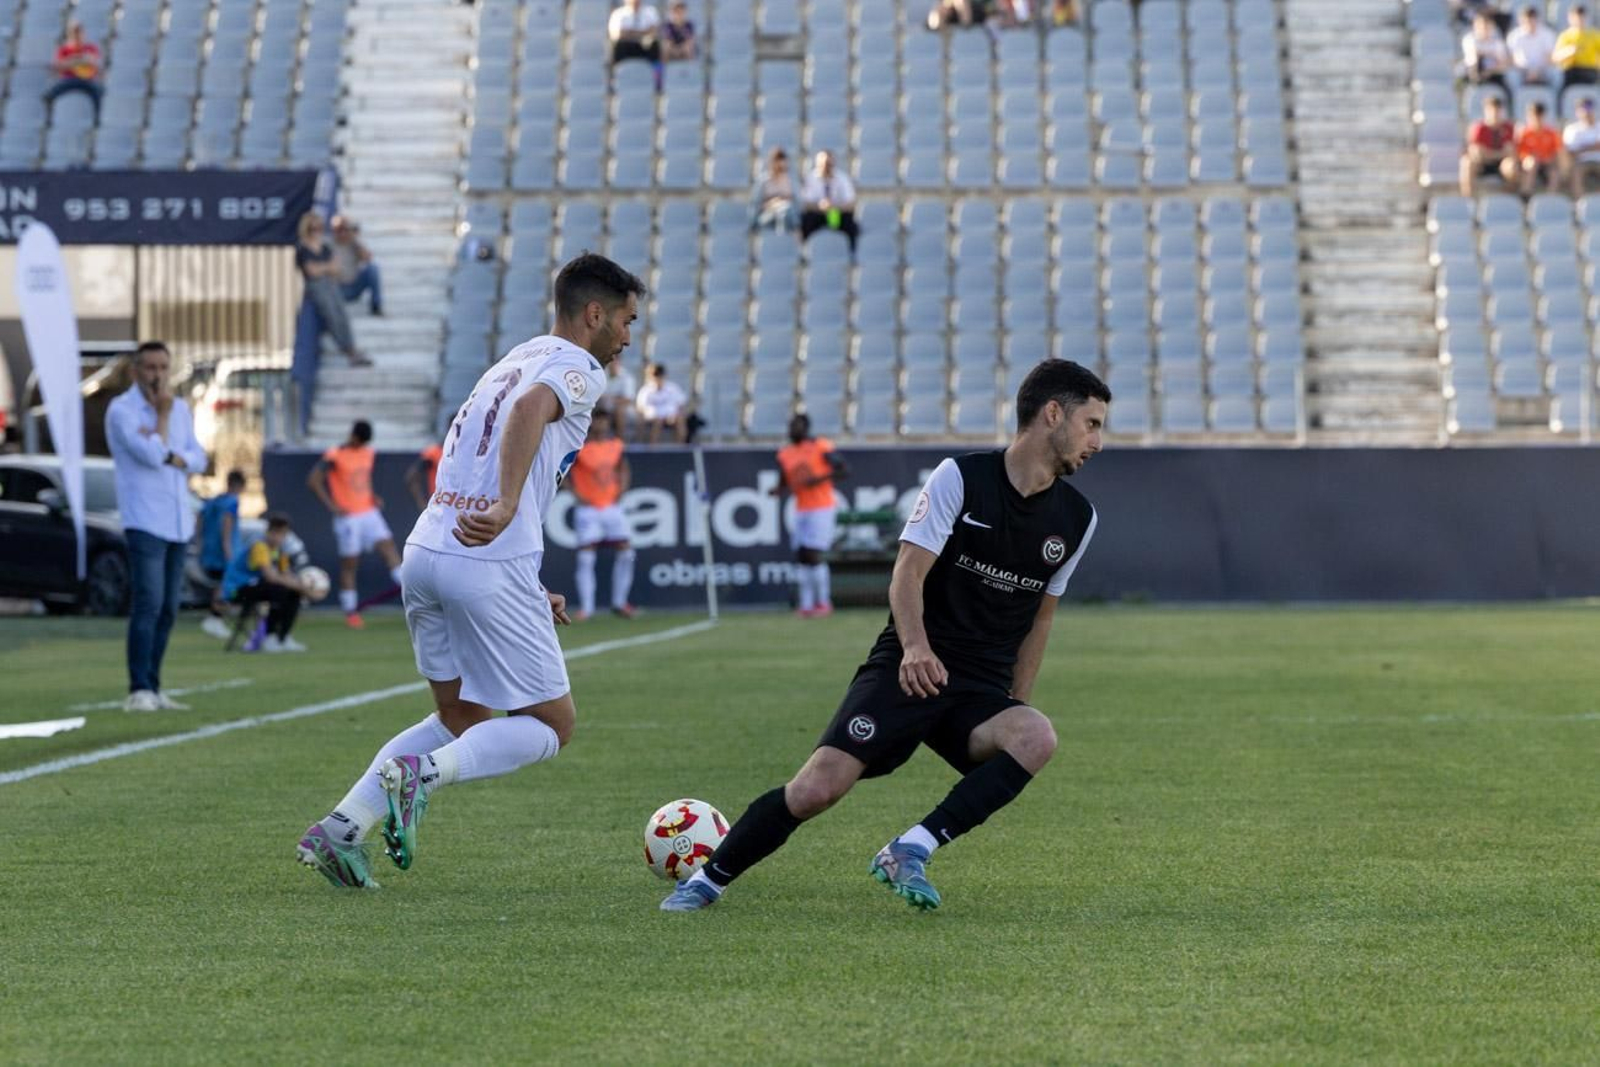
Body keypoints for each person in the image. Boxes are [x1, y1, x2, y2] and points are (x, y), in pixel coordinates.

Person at [661, 360, 1109, 912]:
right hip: (910, 667)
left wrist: (1017, 700)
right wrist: (915, 647)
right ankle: (707, 880)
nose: (1097, 442)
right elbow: (907, 574)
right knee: (816, 789)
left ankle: (911, 849)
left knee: (1036, 735)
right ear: (1053, 414)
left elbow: (1041, 617)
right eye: (1091, 424)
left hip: (980, 689)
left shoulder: (1078, 519)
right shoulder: (961, 478)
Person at [294, 253, 644, 890]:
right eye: (626, 321)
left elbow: (494, 438)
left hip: (430, 549)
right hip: (485, 555)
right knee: (552, 725)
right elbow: (530, 411)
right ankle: (419, 776)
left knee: (460, 716)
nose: (627, 337)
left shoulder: (515, 358)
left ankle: (340, 829)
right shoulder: (578, 368)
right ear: (595, 314)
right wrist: (505, 509)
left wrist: (526, 581)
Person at [105, 342, 209, 713]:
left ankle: (155, 683)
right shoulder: (122, 410)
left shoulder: (180, 408)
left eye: (163, 367)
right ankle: (139, 688)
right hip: (145, 518)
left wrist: (173, 454)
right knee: (147, 603)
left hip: (177, 520)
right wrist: (161, 421)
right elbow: (151, 455)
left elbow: (198, 458)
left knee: (168, 608)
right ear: (136, 371)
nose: (157, 375)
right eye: (150, 367)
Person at [306, 419, 403, 629]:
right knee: (350, 565)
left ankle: (411, 596)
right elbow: (313, 480)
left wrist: (372, 496)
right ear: (353, 436)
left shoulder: (368, 453)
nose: (361, 445)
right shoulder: (335, 455)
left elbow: (362, 481)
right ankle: (350, 612)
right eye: (359, 441)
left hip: (369, 512)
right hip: (348, 518)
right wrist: (332, 506)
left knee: (389, 550)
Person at [774, 413, 848, 618]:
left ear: (806, 428)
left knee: (813, 553)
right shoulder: (785, 453)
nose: (792, 430)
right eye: (790, 425)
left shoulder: (821, 446)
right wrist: (778, 489)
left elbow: (843, 470)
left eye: (796, 426)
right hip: (801, 508)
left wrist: (818, 479)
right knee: (801, 556)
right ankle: (806, 605)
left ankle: (823, 602)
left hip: (821, 507)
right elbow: (784, 479)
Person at [569, 409, 637, 621]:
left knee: (626, 551)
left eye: (604, 421)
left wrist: (622, 489)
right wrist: (575, 495)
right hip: (588, 508)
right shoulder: (579, 446)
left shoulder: (615, 445)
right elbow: (564, 472)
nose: (601, 425)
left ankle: (620, 602)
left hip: (611, 506)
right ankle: (586, 608)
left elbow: (623, 467)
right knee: (586, 556)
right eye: (597, 421)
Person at [222, 512, 312, 653]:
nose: (278, 537)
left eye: (283, 534)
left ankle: (283, 637)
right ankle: (269, 637)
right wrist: (300, 586)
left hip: (257, 587)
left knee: (293, 593)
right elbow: (270, 576)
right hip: (236, 590)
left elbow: (286, 574)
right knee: (279, 590)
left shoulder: (281, 551)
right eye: (276, 533)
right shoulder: (260, 546)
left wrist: (303, 587)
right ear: (268, 532)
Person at [295, 212, 371, 368]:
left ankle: (352, 348)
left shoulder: (324, 247)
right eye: (313, 228)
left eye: (319, 228)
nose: (317, 231)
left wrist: (321, 268)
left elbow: (336, 269)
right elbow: (311, 272)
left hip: (330, 283)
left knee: (341, 314)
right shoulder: (303, 248)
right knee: (332, 314)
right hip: (316, 286)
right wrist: (326, 268)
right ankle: (349, 351)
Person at [198, 469, 246, 640]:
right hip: (224, 553)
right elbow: (227, 523)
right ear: (241, 486)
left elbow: (199, 520)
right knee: (225, 586)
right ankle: (215, 618)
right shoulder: (232, 502)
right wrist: (227, 550)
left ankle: (216, 618)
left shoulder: (214, 501)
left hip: (209, 552)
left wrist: (200, 542)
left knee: (219, 585)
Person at [799, 149, 860, 257]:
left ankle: (852, 254)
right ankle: (804, 253)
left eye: (829, 164)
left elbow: (851, 203)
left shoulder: (842, 178)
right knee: (805, 221)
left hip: (836, 214)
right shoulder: (811, 179)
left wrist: (835, 207)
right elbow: (806, 203)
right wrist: (820, 206)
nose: (826, 167)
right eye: (823, 164)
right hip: (818, 214)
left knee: (851, 224)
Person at [1506, 99, 1569, 194]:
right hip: (1527, 164)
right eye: (1533, 116)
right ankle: (1526, 192)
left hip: (1546, 165)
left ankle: (1550, 196)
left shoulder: (1551, 133)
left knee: (1554, 174)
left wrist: (1562, 168)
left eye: (1539, 115)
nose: (1536, 119)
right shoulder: (1524, 133)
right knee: (1532, 162)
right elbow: (1518, 153)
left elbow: (1559, 151)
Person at [45, 21, 103, 120]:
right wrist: (77, 60)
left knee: (98, 92)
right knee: (51, 94)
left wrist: (81, 60)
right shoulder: (64, 49)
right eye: (74, 33)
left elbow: (96, 65)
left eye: (79, 32)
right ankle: (49, 117)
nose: (77, 36)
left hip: (87, 80)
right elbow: (58, 67)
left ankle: (97, 118)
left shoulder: (90, 48)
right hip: (69, 80)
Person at [1460, 94, 1515, 195]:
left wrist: (1488, 153)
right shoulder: (1478, 128)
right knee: (1467, 163)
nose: (1495, 114)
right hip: (1482, 165)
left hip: (1500, 165)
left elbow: (1510, 152)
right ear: (1486, 111)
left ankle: (1509, 197)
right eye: (1492, 111)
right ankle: (1468, 196)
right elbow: (1477, 153)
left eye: (1497, 111)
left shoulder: (1508, 128)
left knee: (1512, 166)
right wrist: (1499, 153)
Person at [331, 215, 383, 317]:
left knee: (373, 268)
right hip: (336, 289)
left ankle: (376, 305)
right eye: (339, 229)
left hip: (354, 286)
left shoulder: (354, 244)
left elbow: (368, 258)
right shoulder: (328, 245)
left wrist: (354, 239)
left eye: (345, 229)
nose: (342, 233)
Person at [750, 147, 800, 234]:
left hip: (788, 217)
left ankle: (785, 238)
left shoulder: (791, 181)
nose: (780, 169)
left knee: (785, 214)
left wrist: (783, 202)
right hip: (767, 216)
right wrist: (772, 203)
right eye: (777, 166)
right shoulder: (763, 181)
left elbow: (798, 204)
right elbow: (755, 205)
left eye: (782, 167)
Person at [635, 362, 688, 444]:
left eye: (660, 375)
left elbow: (681, 405)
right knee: (657, 422)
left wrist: (675, 415)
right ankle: (653, 449)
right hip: (652, 418)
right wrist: (652, 415)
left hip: (670, 418)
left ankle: (680, 448)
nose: (658, 378)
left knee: (680, 420)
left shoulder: (673, 388)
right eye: (655, 375)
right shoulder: (645, 390)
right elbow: (640, 407)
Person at [1507, 4, 1558, 86]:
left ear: (1537, 20)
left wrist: (1537, 72)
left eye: (1532, 21)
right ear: (1521, 20)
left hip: (1543, 70)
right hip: (1522, 70)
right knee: (1511, 74)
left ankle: (1554, 94)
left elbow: (1550, 58)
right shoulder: (1514, 36)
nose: (1530, 24)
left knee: (1556, 73)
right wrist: (1527, 71)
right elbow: (1511, 60)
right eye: (1526, 21)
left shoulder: (1547, 34)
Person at [1554, 4, 1600, 92]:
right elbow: (1556, 58)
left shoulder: (1594, 35)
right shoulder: (1565, 36)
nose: (1580, 20)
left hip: (1589, 70)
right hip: (1570, 71)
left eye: (1582, 18)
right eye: (1577, 18)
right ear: (1570, 18)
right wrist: (1569, 51)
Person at [1462, 11, 1512, 89]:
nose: (1484, 29)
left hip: (1494, 73)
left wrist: (1490, 71)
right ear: (1475, 26)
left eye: (1487, 26)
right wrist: (1493, 55)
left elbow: (1504, 63)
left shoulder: (1497, 42)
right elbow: (1475, 56)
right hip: (1474, 72)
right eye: (1481, 26)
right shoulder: (1469, 39)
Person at [609, 0, 662, 70]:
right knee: (618, 46)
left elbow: (655, 31)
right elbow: (617, 34)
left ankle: (656, 73)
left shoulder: (650, 11)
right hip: (626, 46)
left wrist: (630, 32)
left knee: (654, 44)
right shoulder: (618, 14)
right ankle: (616, 71)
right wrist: (644, 32)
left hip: (644, 45)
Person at [1566, 96, 1600, 194]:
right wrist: (1592, 147)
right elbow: (1572, 152)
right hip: (1581, 162)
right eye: (1584, 109)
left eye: (1589, 109)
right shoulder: (1572, 129)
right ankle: (1579, 201)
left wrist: (1583, 148)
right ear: (1577, 112)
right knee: (1576, 173)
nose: (1587, 113)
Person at [598, 358, 638, 440]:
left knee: (619, 411)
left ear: (619, 363)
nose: (612, 364)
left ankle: (619, 441)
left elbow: (627, 399)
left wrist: (610, 399)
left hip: (624, 409)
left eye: (615, 362)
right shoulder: (602, 375)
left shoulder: (627, 377)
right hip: (605, 406)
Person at [406, 441, 444, 511]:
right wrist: (421, 502)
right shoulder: (436, 453)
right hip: (439, 505)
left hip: (458, 504)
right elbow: (412, 476)